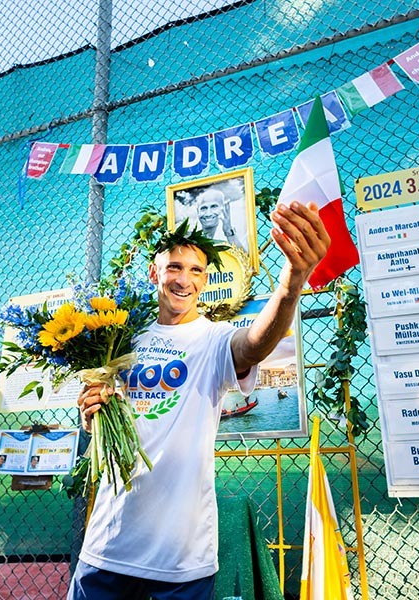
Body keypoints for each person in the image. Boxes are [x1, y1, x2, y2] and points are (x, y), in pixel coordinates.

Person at [69, 201, 330, 600]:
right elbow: (101, 412)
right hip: (109, 543)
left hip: (182, 556)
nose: (184, 279)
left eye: (195, 270)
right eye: (174, 267)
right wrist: (92, 413)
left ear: (205, 281)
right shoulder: (121, 337)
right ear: (154, 272)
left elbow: (253, 344)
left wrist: (290, 284)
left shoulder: (214, 340)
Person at [194, 187, 246, 251]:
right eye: (203, 208)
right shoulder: (192, 237)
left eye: (213, 207)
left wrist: (229, 233)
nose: (208, 214)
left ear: (222, 208)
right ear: (197, 211)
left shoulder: (234, 233)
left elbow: (245, 256)